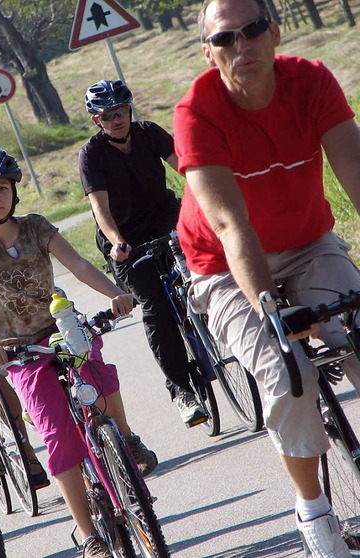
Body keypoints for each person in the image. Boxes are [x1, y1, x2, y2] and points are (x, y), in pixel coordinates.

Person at [173, 0, 360, 555]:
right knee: (289, 375)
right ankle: (314, 512)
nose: (241, 45)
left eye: (252, 30)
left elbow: (354, 170)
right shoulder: (196, 113)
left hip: (308, 244)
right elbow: (230, 225)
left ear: (275, 32)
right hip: (225, 267)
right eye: (225, 38)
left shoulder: (311, 81)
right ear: (208, 52)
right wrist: (272, 315)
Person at [0, 148, 158, 558]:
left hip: (60, 328)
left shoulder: (35, 226)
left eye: (4, 188)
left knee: (98, 373)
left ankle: (125, 440)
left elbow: (78, 265)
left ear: (14, 192)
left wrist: (116, 293)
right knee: (58, 433)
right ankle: (88, 535)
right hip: (18, 350)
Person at [79, 79, 208, 428]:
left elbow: (185, 166)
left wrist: (208, 201)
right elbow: (100, 210)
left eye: (121, 111)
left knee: (207, 268)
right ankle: (182, 390)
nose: (117, 120)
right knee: (156, 307)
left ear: (129, 110)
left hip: (164, 216)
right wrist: (116, 241)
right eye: (107, 116)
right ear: (97, 121)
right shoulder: (92, 155)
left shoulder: (149, 133)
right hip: (125, 239)